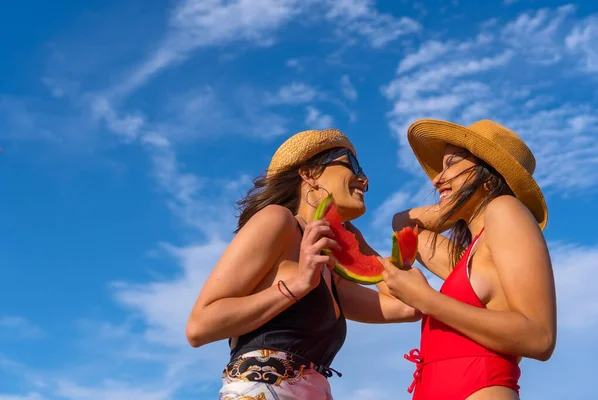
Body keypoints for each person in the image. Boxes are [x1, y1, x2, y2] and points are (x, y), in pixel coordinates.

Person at [185, 128, 421, 400]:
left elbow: (409, 305)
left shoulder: (329, 269)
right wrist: (297, 285)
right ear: (308, 174)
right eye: (351, 164)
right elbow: (198, 327)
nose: (363, 179)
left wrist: (360, 246)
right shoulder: (277, 221)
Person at [381, 119, 557, 400]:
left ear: (488, 174)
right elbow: (403, 224)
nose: (437, 179)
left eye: (450, 164)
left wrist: (426, 299)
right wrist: (450, 205)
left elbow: (541, 338)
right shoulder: (472, 257)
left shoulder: (505, 209)